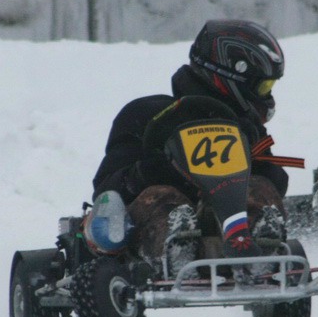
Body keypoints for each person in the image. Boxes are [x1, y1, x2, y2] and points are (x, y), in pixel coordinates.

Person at [91, 19, 295, 280]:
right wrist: (144, 172)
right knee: (164, 197)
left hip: (230, 227)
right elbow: (106, 190)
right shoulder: (144, 113)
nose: (267, 95)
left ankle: (263, 254)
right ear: (231, 75)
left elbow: (277, 180)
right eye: (263, 87)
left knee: (259, 188)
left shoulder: (247, 126)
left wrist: (252, 147)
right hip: (157, 231)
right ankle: (177, 251)